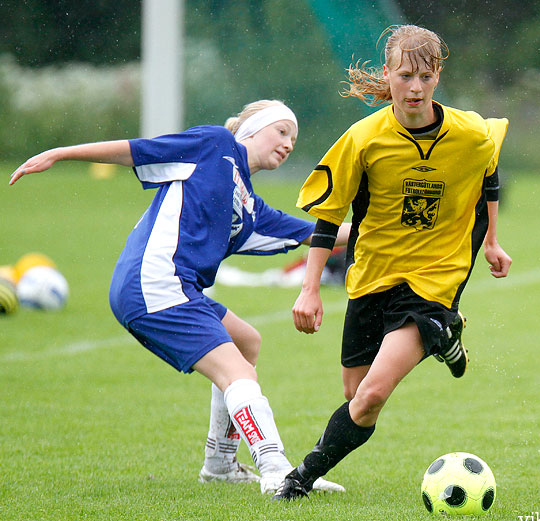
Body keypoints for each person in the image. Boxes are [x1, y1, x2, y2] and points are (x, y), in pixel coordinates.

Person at [9, 99, 350, 494]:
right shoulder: (215, 144)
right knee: (236, 373)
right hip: (155, 283)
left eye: (294, 138)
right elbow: (137, 150)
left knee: (246, 341)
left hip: (175, 286)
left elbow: (315, 233)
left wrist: (381, 229)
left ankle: (220, 464)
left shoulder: (251, 207)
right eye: (282, 131)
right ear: (253, 128)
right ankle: (276, 469)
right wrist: (60, 153)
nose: (289, 143)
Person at [272, 24, 512, 500]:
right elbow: (328, 215)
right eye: (405, 76)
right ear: (388, 75)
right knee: (355, 396)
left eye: (425, 75)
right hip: (371, 277)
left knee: (372, 396)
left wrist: (492, 241)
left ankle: (299, 479)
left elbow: (489, 170)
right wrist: (310, 287)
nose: (415, 87)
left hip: (433, 281)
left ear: (438, 75)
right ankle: (447, 335)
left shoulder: (471, 133)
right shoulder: (363, 139)